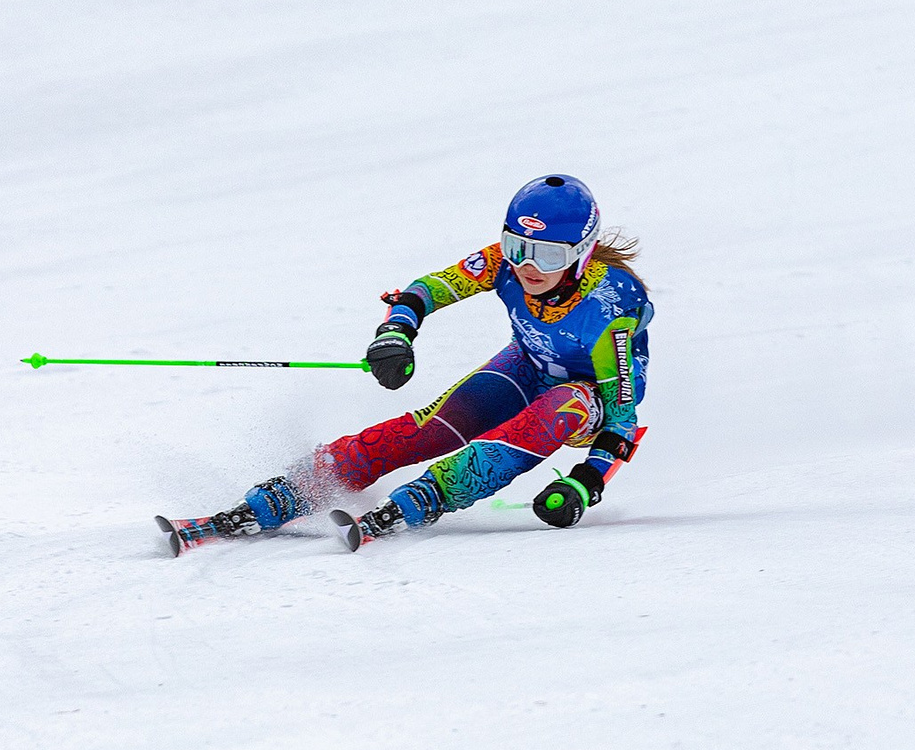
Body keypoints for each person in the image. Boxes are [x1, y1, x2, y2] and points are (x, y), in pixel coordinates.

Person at [162, 175, 652, 554]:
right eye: (516, 247)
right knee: (432, 429)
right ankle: (292, 490)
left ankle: (431, 494)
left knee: (555, 409)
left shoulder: (610, 307)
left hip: (590, 401)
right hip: (525, 366)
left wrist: (586, 482)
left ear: (582, 254)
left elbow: (623, 418)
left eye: (547, 255)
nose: (527, 266)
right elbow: (430, 289)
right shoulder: (504, 265)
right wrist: (396, 332)